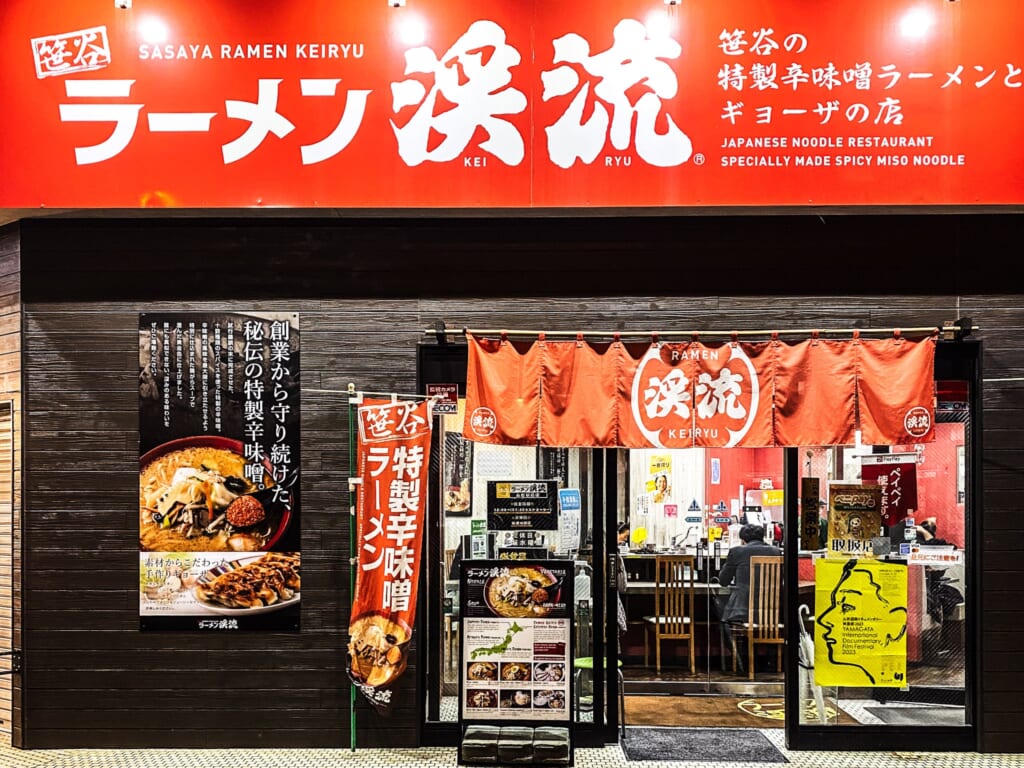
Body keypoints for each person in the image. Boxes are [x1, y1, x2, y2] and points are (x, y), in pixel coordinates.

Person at [716, 523, 782, 626]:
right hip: (771, 611)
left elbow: (723, 581)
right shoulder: (775, 552)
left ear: (743, 539)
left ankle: (735, 642)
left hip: (742, 611)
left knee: (721, 617)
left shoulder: (737, 551)